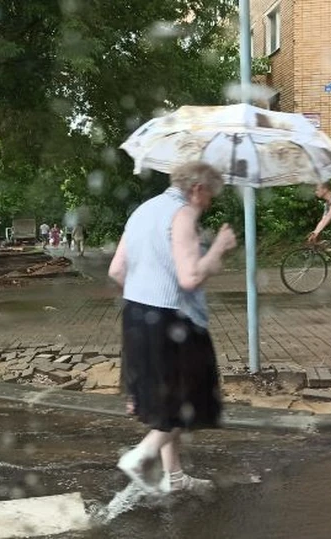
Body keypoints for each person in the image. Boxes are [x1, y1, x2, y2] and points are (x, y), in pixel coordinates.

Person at [108, 161, 237, 494]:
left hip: (137, 315)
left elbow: (116, 270)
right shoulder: (182, 215)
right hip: (172, 322)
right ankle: (141, 456)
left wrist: (144, 296)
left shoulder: (142, 212)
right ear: (197, 189)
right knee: (191, 397)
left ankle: (174, 478)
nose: (210, 202)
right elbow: (190, 277)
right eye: (211, 194)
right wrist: (219, 249)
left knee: (166, 401)